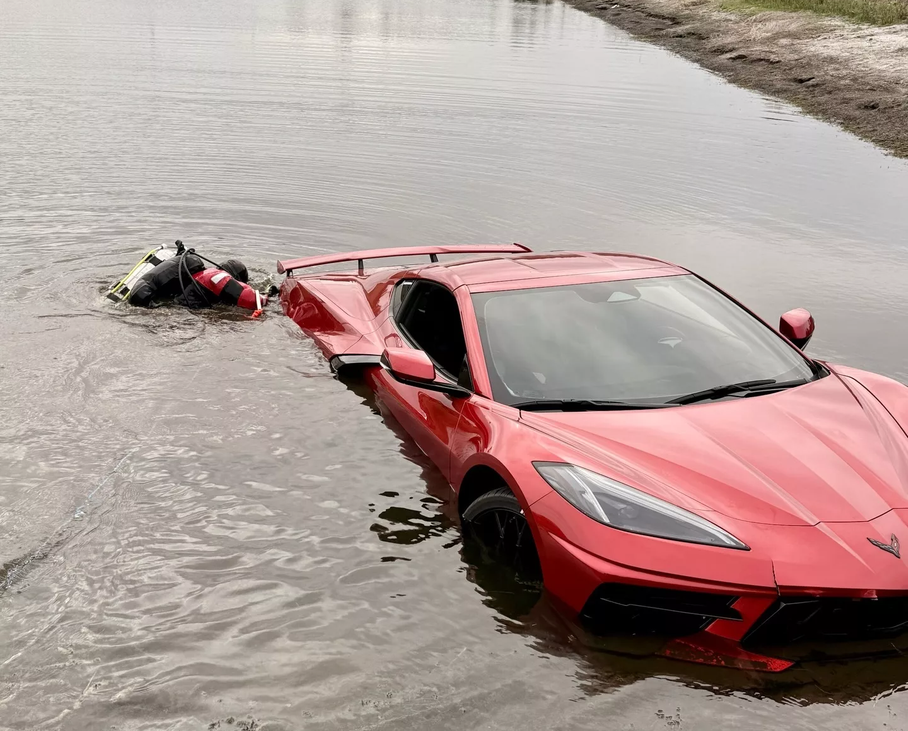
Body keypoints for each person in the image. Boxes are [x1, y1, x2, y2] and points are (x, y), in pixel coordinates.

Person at [127, 247, 275, 313]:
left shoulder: (202, 277)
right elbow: (249, 299)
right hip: (179, 315)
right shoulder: (215, 276)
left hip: (175, 311)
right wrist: (271, 297)